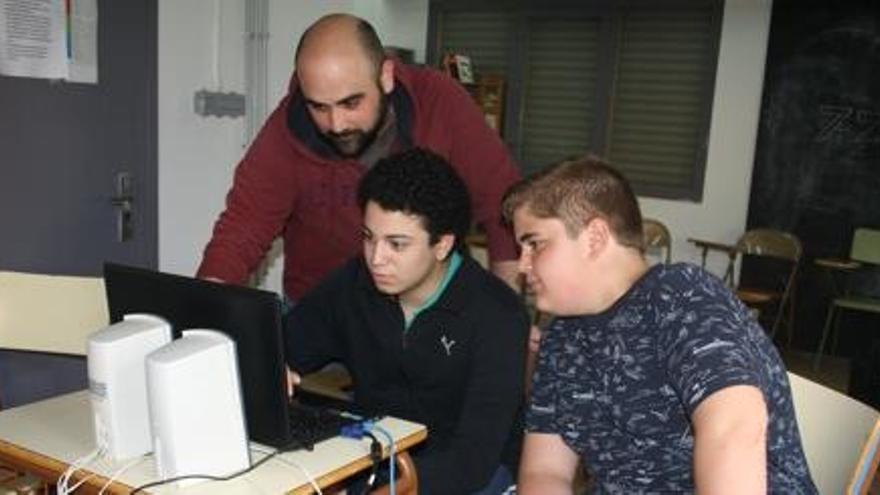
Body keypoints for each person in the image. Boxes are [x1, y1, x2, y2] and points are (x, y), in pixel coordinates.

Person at [501, 155, 817, 494]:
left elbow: (734, 431)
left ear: (594, 237)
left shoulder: (682, 298)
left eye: (535, 244)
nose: (522, 265)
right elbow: (546, 473)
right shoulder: (563, 336)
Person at [196, 13, 521, 301]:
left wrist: (506, 316)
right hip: (324, 313)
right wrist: (204, 311)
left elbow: (501, 204)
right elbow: (242, 228)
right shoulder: (286, 128)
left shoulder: (439, 101)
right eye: (319, 107)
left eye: (351, 103)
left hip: (431, 309)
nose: (336, 125)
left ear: (386, 77)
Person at [284, 148, 529, 494]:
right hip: (376, 461)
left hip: (469, 478)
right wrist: (273, 366)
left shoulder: (497, 315)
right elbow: (285, 344)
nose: (376, 259)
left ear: (442, 245)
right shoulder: (353, 285)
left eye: (397, 245)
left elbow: (471, 460)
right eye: (368, 238)